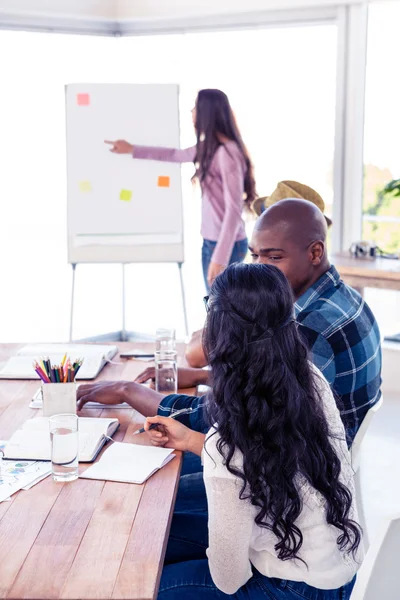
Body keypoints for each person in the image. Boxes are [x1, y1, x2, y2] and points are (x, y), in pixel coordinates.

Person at [84, 264, 364, 599]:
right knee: (148, 539)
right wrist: (190, 441)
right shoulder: (306, 377)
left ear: (219, 334)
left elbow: (228, 578)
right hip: (336, 573)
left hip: (287, 587)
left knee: (133, 581)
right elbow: (266, 460)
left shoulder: (228, 441)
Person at [133, 197, 382, 442]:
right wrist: (201, 377)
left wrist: (132, 392)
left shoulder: (309, 327)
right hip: (314, 446)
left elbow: (250, 422)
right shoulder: (345, 296)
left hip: (300, 468)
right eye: (254, 256)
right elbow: (282, 388)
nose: (260, 269)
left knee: (158, 471)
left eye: (274, 258)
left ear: (315, 252)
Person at [105, 88, 256, 291]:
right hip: (214, 242)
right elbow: (175, 155)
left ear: (207, 112)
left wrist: (219, 258)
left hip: (224, 245)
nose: (192, 111)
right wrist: (132, 149)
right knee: (215, 308)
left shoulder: (226, 154)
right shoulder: (209, 149)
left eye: (195, 107)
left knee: (220, 311)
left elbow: (233, 210)